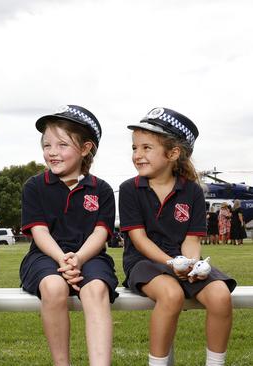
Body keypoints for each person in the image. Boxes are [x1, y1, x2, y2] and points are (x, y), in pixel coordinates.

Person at [119, 107, 237, 366]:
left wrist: (193, 264)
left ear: (173, 153)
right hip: (144, 262)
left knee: (220, 295)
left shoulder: (192, 191)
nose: (137, 155)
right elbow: (139, 239)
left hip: (182, 260)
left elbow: (192, 239)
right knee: (171, 295)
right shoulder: (130, 189)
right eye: (134, 148)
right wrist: (172, 263)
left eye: (146, 148)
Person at [20, 105, 118, 366]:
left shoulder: (102, 190)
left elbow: (100, 233)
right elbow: (39, 231)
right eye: (47, 145)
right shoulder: (35, 186)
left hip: (90, 256)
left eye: (62, 145)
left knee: (96, 289)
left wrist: (79, 259)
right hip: (45, 256)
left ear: (85, 148)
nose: (52, 152)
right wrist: (63, 259)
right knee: (53, 287)